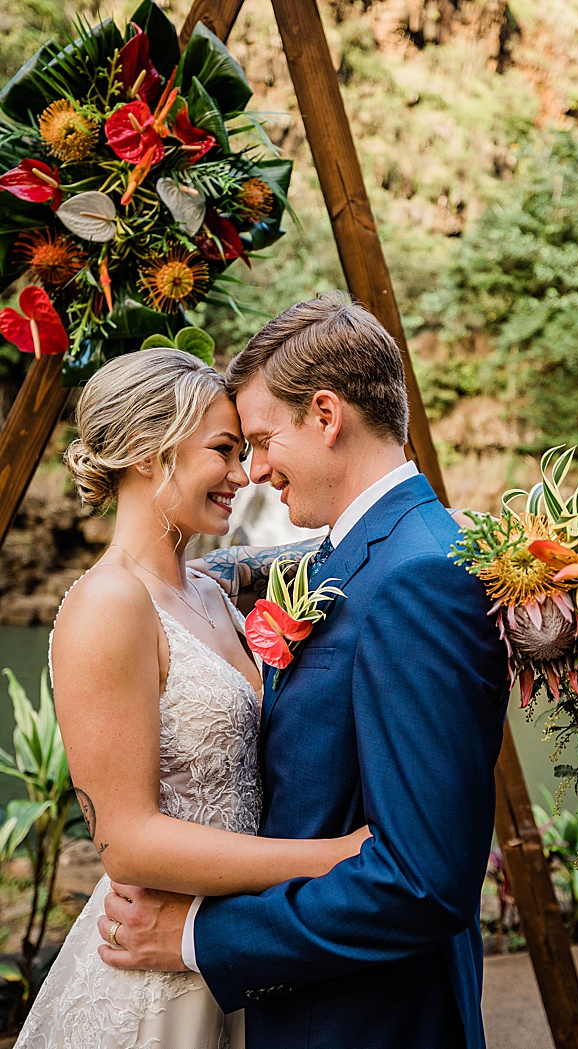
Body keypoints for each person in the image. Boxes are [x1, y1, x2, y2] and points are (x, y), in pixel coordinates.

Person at [95, 293, 509, 1049]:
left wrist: (198, 938)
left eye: (257, 441)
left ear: (325, 415)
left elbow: (420, 881)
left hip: (371, 1020)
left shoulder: (416, 576)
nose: (252, 472)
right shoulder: (363, 555)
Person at [19, 348, 370, 1049]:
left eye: (245, 452)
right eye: (224, 451)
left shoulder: (209, 589)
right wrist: (341, 856)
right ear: (150, 451)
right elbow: (129, 842)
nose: (244, 476)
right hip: (153, 985)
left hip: (232, 954)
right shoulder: (108, 603)